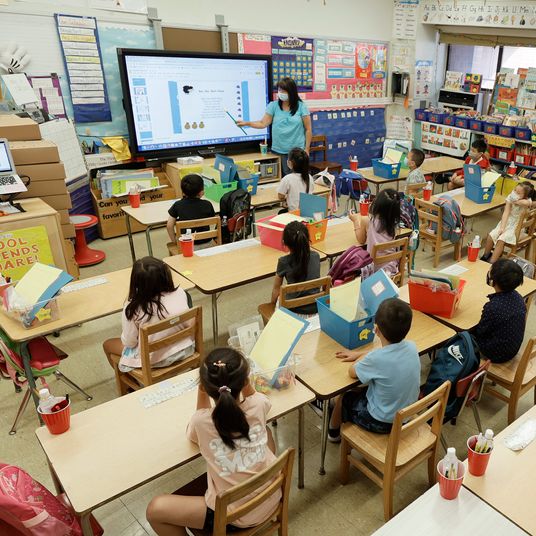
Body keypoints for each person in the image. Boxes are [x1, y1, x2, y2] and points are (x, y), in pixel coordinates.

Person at [146, 348, 278, 535]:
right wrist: (245, 383)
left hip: (234, 518)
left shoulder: (201, 422)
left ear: (205, 387)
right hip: (271, 497)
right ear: (245, 381)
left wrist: (202, 392)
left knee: (155, 509)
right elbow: (258, 399)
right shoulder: (259, 404)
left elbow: (193, 434)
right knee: (268, 434)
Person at [328, 298, 420, 441]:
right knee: (364, 388)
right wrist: (361, 354)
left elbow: (352, 372)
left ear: (376, 330)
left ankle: (333, 434)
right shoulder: (412, 347)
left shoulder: (376, 359)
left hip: (381, 422)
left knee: (343, 395)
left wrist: (361, 357)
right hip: (406, 415)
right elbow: (383, 354)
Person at [102, 256, 194, 372]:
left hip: (154, 360)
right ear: (166, 275)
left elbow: (129, 342)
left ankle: (131, 382)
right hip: (185, 349)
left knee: (107, 344)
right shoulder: (180, 293)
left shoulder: (133, 308)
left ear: (136, 282)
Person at [237, 77, 312, 176]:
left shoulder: (301, 106)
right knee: (282, 180)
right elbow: (263, 123)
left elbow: (308, 129)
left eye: (284, 91)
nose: (281, 93)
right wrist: (247, 123)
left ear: (291, 92)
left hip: (297, 153)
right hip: (278, 151)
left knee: (297, 180)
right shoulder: (273, 106)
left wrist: (307, 149)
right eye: (279, 90)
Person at [472, 259, 526, 363]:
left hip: (495, 355)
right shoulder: (519, 297)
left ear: (493, 281)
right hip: (512, 350)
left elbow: (481, 332)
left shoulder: (493, 307)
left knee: (464, 334)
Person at [271, 220, 321, 315]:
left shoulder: (283, 261)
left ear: (284, 243)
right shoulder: (316, 256)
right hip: (316, 309)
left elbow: (276, 290)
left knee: (279, 298)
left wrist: (272, 305)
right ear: (307, 239)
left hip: (293, 312)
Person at [348, 188, 401, 276]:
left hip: (374, 271)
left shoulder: (368, 221)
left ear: (377, 205)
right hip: (392, 269)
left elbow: (361, 240)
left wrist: (355, 220)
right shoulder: (394, 225)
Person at [481, 181, 535, 263]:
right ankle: (486, 255)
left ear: (525, 196)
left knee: (501, 240)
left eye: (518, 193)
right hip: (506, 222)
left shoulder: (527, 201)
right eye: (515, 190)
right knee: (491, 235)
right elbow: (506, 213)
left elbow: (527, 203)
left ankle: (492, 262)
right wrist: (502, 227)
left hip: (517, 227)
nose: (514, 193)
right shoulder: (510, 197)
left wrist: (516, 201)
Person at [166, 174, 216, 246]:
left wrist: (175, 241)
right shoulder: (207, 204)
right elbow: (212, 220)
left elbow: (169, 225)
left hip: (187, 245)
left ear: (183, 191)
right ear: (201, 192)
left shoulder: (177, 205)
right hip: (207, 244)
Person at [277, 147, 314, 212]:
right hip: (307, 212)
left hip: (294, 213)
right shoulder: (310, 177)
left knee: (280, 212)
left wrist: (287, 199)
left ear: (290, 163)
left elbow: (280, 196)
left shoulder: (287, 178)